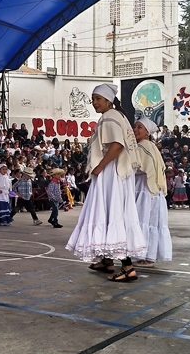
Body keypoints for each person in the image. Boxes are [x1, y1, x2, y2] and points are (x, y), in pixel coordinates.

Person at [66, 83, 145, 283]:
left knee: (112, 212)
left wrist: (100, 167)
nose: (94, 103)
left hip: (111, 172)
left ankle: (127, 268)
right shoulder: (117, 117)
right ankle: (107, 260)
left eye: (97, 99)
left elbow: (117, 145)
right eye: (93, 99)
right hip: (115, 172)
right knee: (110, 212)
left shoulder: (110, 117)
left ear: (108, 101)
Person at [132, 117, 172, 266]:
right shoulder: (151, 146)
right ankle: (149, 255)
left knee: (144, 221)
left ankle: (144, 255)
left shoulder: (143, 146)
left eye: (139, 127)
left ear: (147, 132)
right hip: (153, 190)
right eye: (135, 127)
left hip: (145, 189)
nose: (135, 129)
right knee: (152, 222)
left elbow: (137, 167)